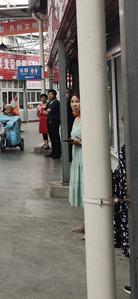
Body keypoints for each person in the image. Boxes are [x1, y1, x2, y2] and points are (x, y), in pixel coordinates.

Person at [68, 93, 84, 233]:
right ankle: (86, 223)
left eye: (77, 101)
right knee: (82, 191)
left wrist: (80, 143)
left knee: (87, 190)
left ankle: (92, 227)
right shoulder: (76, 119)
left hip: (85, 160)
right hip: (77, 158)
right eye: (72, 101)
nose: (74, 104)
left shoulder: (88, 119)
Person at [44, 89, 62, 159]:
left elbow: (48, 111)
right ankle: (53, 151)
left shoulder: (56, 103)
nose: (50, 96)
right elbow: (44, 111)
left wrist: (47, 112)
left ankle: (57, 152)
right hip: (49, 121)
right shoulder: (49, 103)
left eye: (51, 94)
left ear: (54, 95)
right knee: (51, 136)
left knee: (55, 136)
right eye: (49, 94)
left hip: (54, 121)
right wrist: (47, 112)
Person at [66, 87, 75, 162]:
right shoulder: (65, 102)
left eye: (67, 93)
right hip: (67, 123)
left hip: (71, 122)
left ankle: (70, 156)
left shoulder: (69, 103)